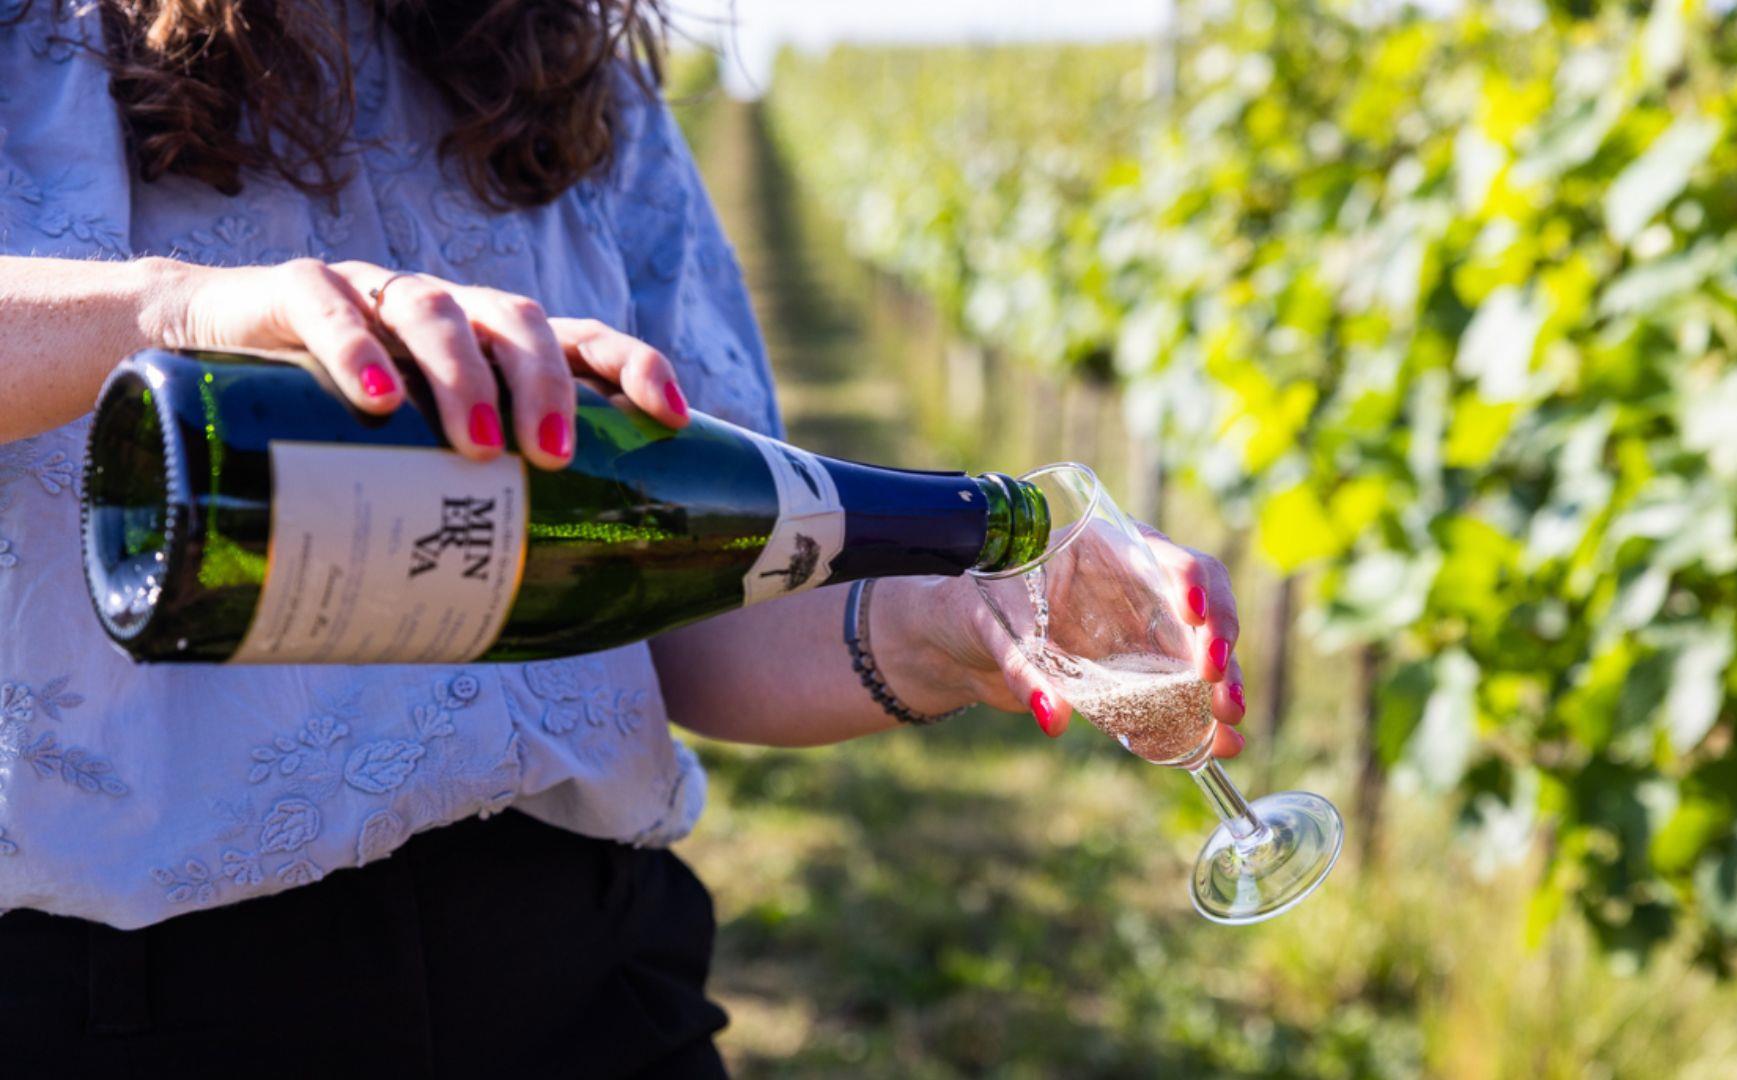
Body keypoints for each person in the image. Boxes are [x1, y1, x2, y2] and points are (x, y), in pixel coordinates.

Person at [0, 1, 1251, 1075]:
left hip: (584, 975)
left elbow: (706, 596)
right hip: (122, 1011)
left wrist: (961, 633)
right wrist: (180, 306)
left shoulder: (556, 64)